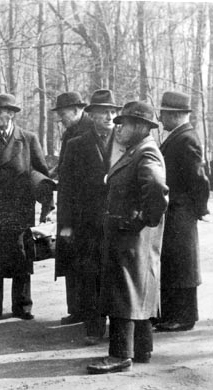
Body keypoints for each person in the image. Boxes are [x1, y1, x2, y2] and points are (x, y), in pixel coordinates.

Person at [87, 101, 169, 374]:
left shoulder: (145, 152)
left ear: (141, 127)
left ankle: (120, 354)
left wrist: (143, 220)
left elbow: (157, 187)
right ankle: (142, 348)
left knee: (124, 291)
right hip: (130, 235)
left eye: (125, 124)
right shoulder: (136, 150)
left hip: (130, 235)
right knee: (137, 288)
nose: (118, 128)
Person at [0, 93, 51, 324]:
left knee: (21, 257)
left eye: (2, 112)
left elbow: (41, 172)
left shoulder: (28, 139)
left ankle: (22, 306)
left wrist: (44, 202)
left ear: (12, 114)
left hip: (19, 209)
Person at [58, 90, 121, 344]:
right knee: (89, 275)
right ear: (91, 114)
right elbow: (66, 192)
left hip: (119, 223)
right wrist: (66, 228)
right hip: (87, 224)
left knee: (117, 276)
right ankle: (94, 328)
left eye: (112, 112)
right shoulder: (77, 145)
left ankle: (119, 330)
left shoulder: (126, 142)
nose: (109, 116)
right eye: (103, 111)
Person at [154, 91, 210, 332]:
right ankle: (173, 315)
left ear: (176, 115)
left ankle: (184, 317)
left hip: (181, 212)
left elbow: (199, 179)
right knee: (174, 263)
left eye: (164, 114)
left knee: (182, 265)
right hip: (175, 211)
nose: (160, 119)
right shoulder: (178, 136)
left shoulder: (186, 138)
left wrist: (198, 209)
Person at [51, 91, 94, 326]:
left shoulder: (89, 131)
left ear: (78, 110)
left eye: (64, 114)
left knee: (84, 262)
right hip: (69, 204)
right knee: (72, 260)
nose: (61, 119)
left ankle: (87, 311)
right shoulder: (69, 132)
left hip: (83, 209)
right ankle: (76, 309)